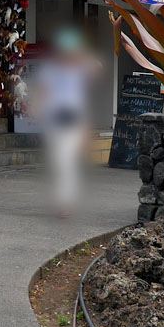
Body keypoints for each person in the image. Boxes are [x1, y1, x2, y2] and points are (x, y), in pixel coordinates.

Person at [33, 28, 102, 217]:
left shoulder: (80, 69)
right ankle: (63, 200)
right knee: (59, 162)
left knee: (67, 162)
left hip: (74, 121)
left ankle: (64, 202)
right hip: (53, 120)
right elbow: (42, 90)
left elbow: (97, 66)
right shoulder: (50, 69)